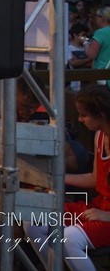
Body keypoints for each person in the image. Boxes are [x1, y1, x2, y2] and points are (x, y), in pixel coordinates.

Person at [29, 84, 110, 268]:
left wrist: (106, 215)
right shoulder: (99, 136)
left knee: (69, 238)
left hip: (106, 214)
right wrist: (57, 178)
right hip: (99, 207)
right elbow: (95, 179)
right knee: (33, 221)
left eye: (84, 115)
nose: (80, 120)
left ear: (102, 115)